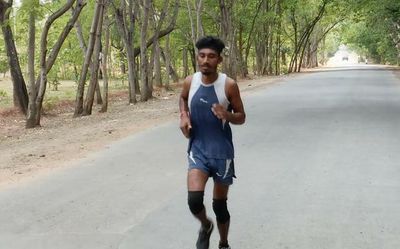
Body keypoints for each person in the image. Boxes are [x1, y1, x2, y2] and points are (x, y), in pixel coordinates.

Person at [179, 36, 246, 249]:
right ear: (197, 57)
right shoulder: (191, 81)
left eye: (211, 56)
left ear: (219, 60)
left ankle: (223, 243)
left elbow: (242, 116)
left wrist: (226, 114)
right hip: (198, 150)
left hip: (222, 154)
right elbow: (182, 98)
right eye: (202, 55)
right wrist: (183, 115)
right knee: (194, 201)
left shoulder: (228, 85)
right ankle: (206, 225)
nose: (205, 60)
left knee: (219, 206)